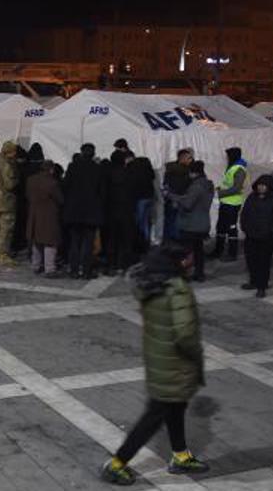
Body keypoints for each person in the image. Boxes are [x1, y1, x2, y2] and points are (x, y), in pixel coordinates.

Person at [101, 244, 209, 485]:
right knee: (154, 418)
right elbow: (185, 334)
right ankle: (117, 464)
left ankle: (181, 456)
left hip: (158, 358)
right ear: (179, 262)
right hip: (174, 364)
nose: (192, 262)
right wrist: (196, 355)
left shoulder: (150, 282)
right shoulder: (177, 289)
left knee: (175, 407)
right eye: (189, 259)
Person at [240, 175, 273, 298]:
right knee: (251, 260)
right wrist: (244, 226)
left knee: (263, 262)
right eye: (259, 185)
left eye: (263, 185)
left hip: (267, 237)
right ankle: (253, 281)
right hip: (251, 235)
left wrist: (270, 229)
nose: (261, 187)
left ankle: (262, 286)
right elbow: (244, 213)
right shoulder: (252, 198)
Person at [63, 144, 105, 279]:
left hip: (74, 211)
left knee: (75, 241)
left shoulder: (72, 167)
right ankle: (86, 270)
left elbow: (66, 187)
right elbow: (102, 192)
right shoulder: (97, 169)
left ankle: (74, 269)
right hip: (91, 212)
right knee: (88, 242)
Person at [170, 161, 214, 282]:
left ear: (193, 173)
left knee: (186, 250)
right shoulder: (208, 184)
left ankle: (185, 274)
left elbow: (188, 204)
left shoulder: (196, 186)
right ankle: (199, 273)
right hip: (203, 223)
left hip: (191, 224)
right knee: (199, 250)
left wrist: (174, 197)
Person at [26, 160, 64, 278]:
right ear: (51, 169)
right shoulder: (52, 183)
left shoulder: (31, 180)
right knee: (50, 242)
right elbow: (60, 200)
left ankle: (36, 265)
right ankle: (49, 268)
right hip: (49, 215)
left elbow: (27, 195)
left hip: (34, 213)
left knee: (36, 240)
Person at [210, 147, 247, 262]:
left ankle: (232, 253)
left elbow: (236, 188)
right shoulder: (232, 167)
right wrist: (220, 188)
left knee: (231, 228)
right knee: (220, 227)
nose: (226, 158)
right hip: (226, 202)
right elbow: (229, 183)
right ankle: (218, 250)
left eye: (228, 156)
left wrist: (219, 193)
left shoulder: (239, 169)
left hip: (232, 203)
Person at [107, 150, 137, 274]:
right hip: (126, 209)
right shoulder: (129, 174)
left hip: (111, 209)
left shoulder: (107, 174)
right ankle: (124, 264)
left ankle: (111, 264)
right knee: (126, 239)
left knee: (112, 239)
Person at [0, 141, 20, 266]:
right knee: (6, 230)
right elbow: (9, 184)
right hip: (6, 201)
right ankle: (3, 254)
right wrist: (18, 179)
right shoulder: (7, 165)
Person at [163, 148, 194, 242]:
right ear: (182, 158)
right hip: (178, 197)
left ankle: (170, 238)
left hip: (172, 197)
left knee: (171, 219)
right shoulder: (185, 170)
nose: (191, 160)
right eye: (189, 158)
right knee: (175, 218)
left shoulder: (170, 168)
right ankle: (176, 238)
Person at [129, 156, 156, 253]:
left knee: (140, 222)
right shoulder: (149, 172)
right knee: (146, 222)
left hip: (140, 198)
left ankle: (141, 242)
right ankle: (146, 242)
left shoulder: (135, 172)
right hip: (149, 197)